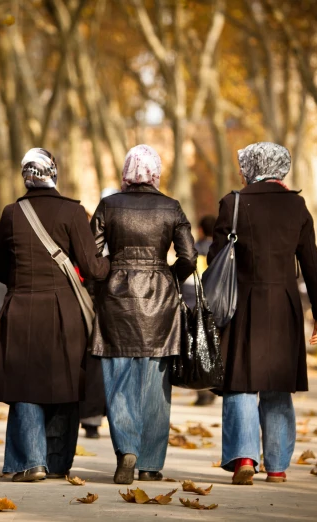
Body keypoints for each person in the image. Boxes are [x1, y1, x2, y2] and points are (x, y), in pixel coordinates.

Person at [0, 148, 110, 482]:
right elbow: (93, 267)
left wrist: (17, 280)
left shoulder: (12, 212)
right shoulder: (72, 211)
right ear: (54, 171)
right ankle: (56, 462)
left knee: (25, 385)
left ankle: (31, 462)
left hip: (22, 306)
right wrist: (117, 260)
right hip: (64, 309)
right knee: (66, 384)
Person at [209, 142, 317, 486]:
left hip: (242, 305)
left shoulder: (233, 203)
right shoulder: (297, 205)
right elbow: (311, 264)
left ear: (249, 166)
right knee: (278, 387)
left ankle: (245, 457)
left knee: (241, 384)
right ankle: (276, 467)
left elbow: (217, 258)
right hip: (285, 307)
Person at [90, 144, 197, 485]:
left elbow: (92, 256)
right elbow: (190, 258)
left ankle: (127, 451)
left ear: (126, 171)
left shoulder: (109, 205)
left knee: (118, 379)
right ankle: (150, 462)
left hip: (116, 298)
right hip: (160, 300)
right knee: (154, 384)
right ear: (155, 171)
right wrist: (169, 278)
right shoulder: (171, 207)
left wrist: (110, 275)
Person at [80, 187, 120, 440]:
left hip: (97, 298)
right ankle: (111, 416)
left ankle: (92, 417)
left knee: (95, 357)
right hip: (122, 300)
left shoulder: (95, 228)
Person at [192, 215, 218, 407]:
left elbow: (196, 276)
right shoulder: (222, 247)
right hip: (218, 303)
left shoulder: (198, 248)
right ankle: (214, 384)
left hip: (197, 300)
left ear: (200, 230)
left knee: (199, 347)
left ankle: (203, 390)